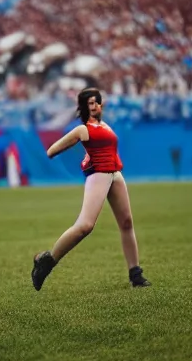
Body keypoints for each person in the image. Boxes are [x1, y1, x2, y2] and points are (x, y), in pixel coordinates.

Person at [32, 87, 149, 290]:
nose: (94, 106)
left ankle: (135, 274)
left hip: (115, 174)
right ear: (85, 107)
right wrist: (83, 153)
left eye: (97, 102)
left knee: (127, 222)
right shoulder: (83, 130)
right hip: (99, 175)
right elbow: (51, 151)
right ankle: (47, 261)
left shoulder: (106, 126)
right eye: (90, 103)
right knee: (85, 226)